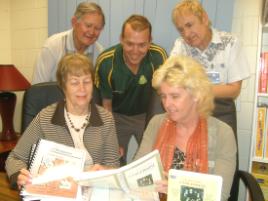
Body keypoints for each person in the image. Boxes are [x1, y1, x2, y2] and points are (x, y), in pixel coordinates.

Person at [5, 53, 120, 198]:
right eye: (74, 82)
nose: (82, 88)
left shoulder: (106, 119)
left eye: (87, 81)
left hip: (93, 193)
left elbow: (114, 166)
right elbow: (14, 158)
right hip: (55, 194)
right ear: (63, 87)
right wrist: (19, 176)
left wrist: (103, 171)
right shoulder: (46, 117)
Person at [134, 55, 237, 201]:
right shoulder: (156, 123)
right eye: (163, 96)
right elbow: (137, 173)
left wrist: (176, 189)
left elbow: (219, 195)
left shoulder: (223, 134)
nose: (167, 104)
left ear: (196, 95)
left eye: (175, 96)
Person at [170, 0, 250, 137]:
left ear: (204, 18)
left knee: (222, 157)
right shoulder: (181, 45)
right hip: (190, 111)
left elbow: (234, 90)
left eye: (189, 25)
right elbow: (169, 78)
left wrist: (196, 89)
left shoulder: (230, 43)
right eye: (181, 29)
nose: (187, 34)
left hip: (222, 111)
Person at [95, 14, 167, 164]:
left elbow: (164, 95)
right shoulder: (106, 62)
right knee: (114, 161)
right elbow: (106, 104)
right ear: (121, 39)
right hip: (117, 116)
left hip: (147, 116)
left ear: (150, 42)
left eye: (142, 45)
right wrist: (111, 137)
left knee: (154, 161)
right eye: (129, 44)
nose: (135, 51)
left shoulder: (158, 56)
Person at [32, 2, 105, 84]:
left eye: (97, 28)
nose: (92, 32)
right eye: (88, 26)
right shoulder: (52, 47)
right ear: (74, 22)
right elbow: (37, 89)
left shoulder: (100, 54)